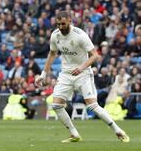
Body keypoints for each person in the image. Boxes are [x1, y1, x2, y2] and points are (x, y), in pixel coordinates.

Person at [35, 11, 130, 143]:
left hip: (83, 74)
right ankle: (74, 134)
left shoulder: (80, 35)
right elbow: (52, 54)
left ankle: (118, 130)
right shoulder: (55, 35)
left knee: (92, 106)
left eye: (63, 24)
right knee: (56, 105)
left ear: (69, 20)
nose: (60, 27)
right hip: (66, 74)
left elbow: (95, 55)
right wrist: (43, 74)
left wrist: (81, 67)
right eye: (58, 24)